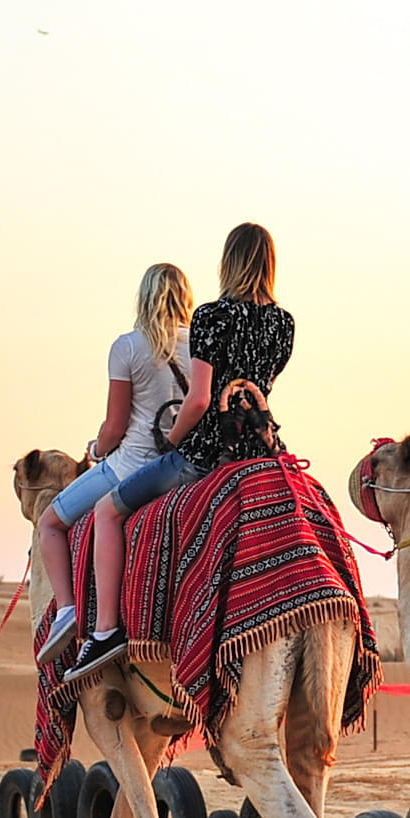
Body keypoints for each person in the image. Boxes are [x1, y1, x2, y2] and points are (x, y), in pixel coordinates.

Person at [68, 221, 293, 680]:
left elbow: (200, 400)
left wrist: (173, 442)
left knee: (109, 511)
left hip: (208, 453)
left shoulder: (212, 316)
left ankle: (105, 631)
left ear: (229, 261)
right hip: (262, 451)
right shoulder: (284, 323)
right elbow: (259, 389)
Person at [32, 263, 194, 665]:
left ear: (144, 297)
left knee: (49, 522)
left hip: (130, 465)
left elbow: (115, 425)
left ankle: (69, 611)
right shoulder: (201, 347)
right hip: (185, 468)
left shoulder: (128, 347)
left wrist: (96, 448)